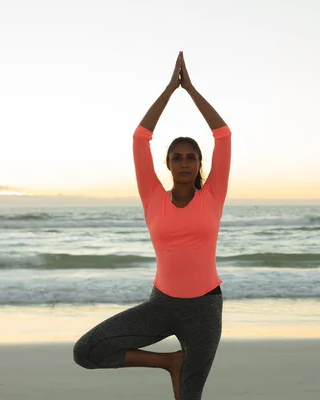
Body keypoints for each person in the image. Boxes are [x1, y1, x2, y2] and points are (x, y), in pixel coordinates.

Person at [73, 51, 231, 400]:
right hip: (161, 305)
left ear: (200, 163)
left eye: (192, 157)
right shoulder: (152, 195)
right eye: (178, 157)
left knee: (190, 396)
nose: (185, 162)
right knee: (86, 352)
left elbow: (223, 134)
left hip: (204, 309)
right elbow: (139, 137)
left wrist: (190, 89)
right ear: (168, 164)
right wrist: (168, 90)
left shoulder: (213, 195)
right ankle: (169, 362)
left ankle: (180, 369)